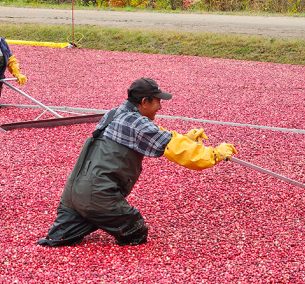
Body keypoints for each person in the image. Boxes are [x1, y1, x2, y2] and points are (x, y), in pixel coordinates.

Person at [37, 77, 237, 247]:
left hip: (72, 194)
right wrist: (214, 154)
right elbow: (179, 152)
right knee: (136, 231)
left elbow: (160, 138)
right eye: (157, 101)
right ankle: (99, 217)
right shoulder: (137, 124)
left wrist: (188, 138)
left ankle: (90, 218)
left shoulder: (115, 113)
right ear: (144, 101)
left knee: (57, 240)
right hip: (100, 196)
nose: (160, 106)